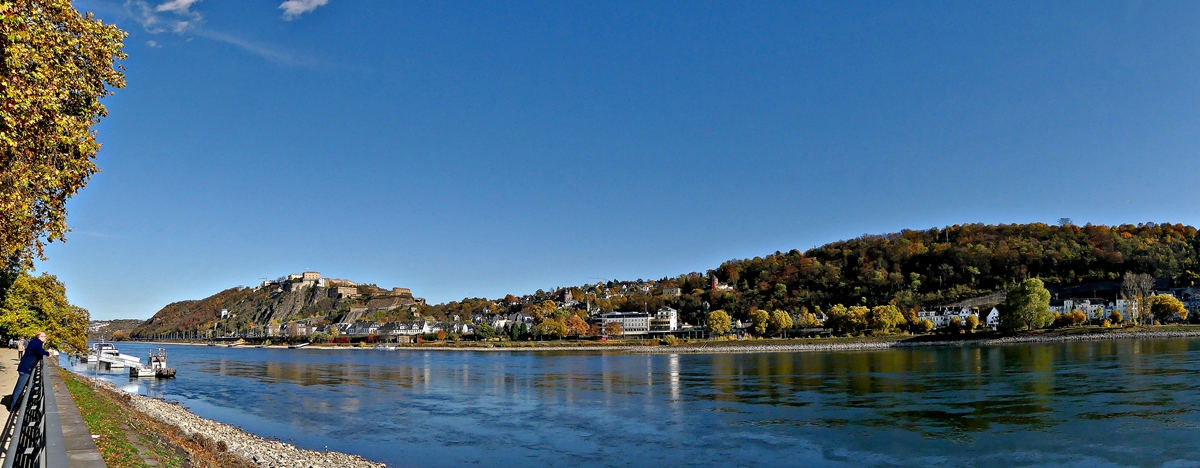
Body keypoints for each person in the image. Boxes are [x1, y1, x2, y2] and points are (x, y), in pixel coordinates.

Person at [10, 332, 55, 411]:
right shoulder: (37, 343)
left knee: (31, 385)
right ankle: (13, 407)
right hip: (26, 369)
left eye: (45, 336)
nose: (45, 338)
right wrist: (48, 353)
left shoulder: (35, 342)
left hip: (26, 367)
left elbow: (38, 352)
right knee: (20, 388)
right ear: (39, 337)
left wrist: (45, 351)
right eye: (43, 336)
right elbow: (40, 352)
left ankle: (23, 403)